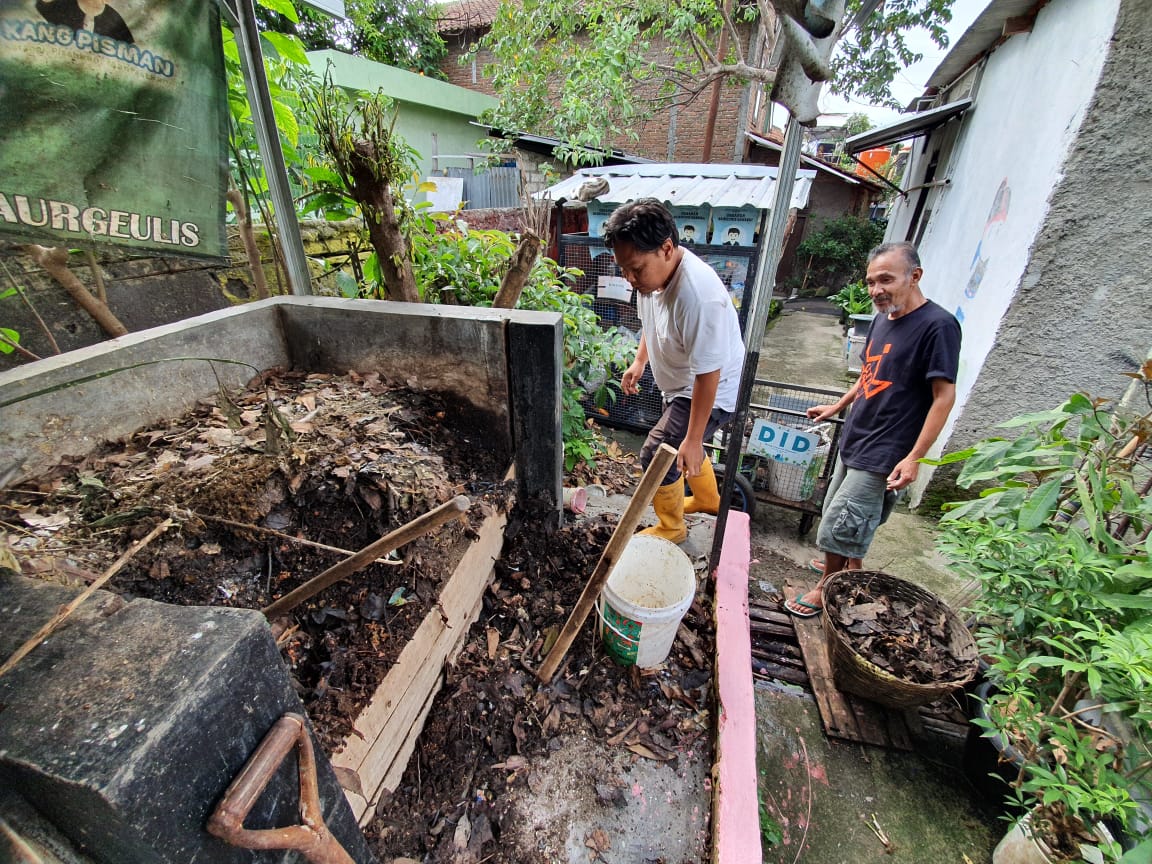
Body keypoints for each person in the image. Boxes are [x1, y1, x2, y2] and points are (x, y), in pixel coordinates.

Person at [785, 241, 961, 617]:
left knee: (839, 524)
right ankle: (850, 568)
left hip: (887, 447)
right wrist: (837, 405)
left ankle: (826, 589)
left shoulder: (938, 326)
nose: (876, 290)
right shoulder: (883, 318)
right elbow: (869, 374)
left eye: (885, 279)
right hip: (857, 433)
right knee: (843, 511)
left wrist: (915, 458)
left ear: (915, 276)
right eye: (870, 282)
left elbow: (944, 396)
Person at [603, 199, 745, 543]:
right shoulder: (650, 279)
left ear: (667, 247)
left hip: (712, 389)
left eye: (635, 268)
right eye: (624, 269)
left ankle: (672, 527)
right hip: (681, 383)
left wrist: (694, 438)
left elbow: (708, 375)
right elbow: (652, 326)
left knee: (657, 453)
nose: (630, 278)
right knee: (681, 444)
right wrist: (640, 361)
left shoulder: (698, 295)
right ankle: (709, 500)